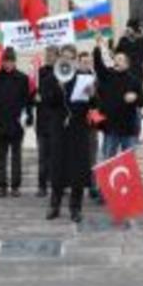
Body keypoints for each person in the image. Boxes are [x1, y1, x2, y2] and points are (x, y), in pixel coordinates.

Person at [42, 44, 94, 223]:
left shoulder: (84, 77)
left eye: (71, 57)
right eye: (64, 57)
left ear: (75, 60)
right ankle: (54, 205)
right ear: (59, 58)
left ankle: (76, 207)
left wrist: (92, 94)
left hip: (78, 127)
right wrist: (59, 87)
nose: (67, 60)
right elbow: (47, 103)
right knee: (57, 164)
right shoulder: (50, 78)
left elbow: (94, 104)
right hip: (58, 126)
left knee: (78, 167)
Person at [0, 48, 33, 197]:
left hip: (17, 123)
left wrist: (30, 116)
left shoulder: (23, 78)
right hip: (0, 122)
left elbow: (28, 100)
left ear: (14, 62)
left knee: (16, 156)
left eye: (10, 61)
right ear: (2, 62)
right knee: (1, 157)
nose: (8, 64)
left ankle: (15, 186)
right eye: (5, 61)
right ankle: (2, 186)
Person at [94, 37, 143, 159]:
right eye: (116, 59)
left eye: (121, 60)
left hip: (128, 128)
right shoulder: (108, 75)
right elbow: (98, 65)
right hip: (111, 127)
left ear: (127, 64)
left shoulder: (134, 81)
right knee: (108, 158)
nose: (117, 61)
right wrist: (98, 48)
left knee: (129, 161)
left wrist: (135, 97)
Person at [35, 45, 59, 197]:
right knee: (43, 156)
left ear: (57, 56)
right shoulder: (40, 72)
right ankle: (42, 185)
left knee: (57, 156)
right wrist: (35, 97)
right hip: (42, 121)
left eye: (51, 55)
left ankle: (57, 184)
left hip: (56, 121)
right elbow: (37, 92)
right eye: (47, 55)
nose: (48, 57)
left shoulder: (62, 71)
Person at [77, 51, 101, 200]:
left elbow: (101, 102)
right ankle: (78, 186)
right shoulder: (72, 78)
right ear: (79, 63)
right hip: (78, 121)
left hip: (92, 122)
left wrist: (93, 95)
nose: (87, 64)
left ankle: (93, 186)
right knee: (78, 156)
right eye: (84, 62)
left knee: (92, 156)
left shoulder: (96, 79)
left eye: (89, 62)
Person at [112, 17, 143, 89]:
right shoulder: (123, 40)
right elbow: (115, 57)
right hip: (124, 76)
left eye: (129, 28)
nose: (127, 30)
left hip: (138, 77)